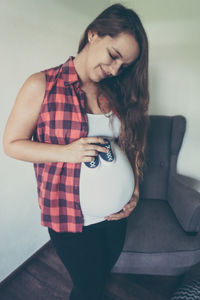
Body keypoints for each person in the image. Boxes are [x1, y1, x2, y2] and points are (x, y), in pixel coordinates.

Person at [3, 3, 149, 300]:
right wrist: (65, 152)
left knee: (99, 276)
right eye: (113, 56)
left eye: (124, 66)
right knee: (88, 288)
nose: (115, 70)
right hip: (71, 219)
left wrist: (133, 192)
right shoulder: (42, 85)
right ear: (94, 34)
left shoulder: (113, 91)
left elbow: (128, 146)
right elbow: (11, 144)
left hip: (116, 216)